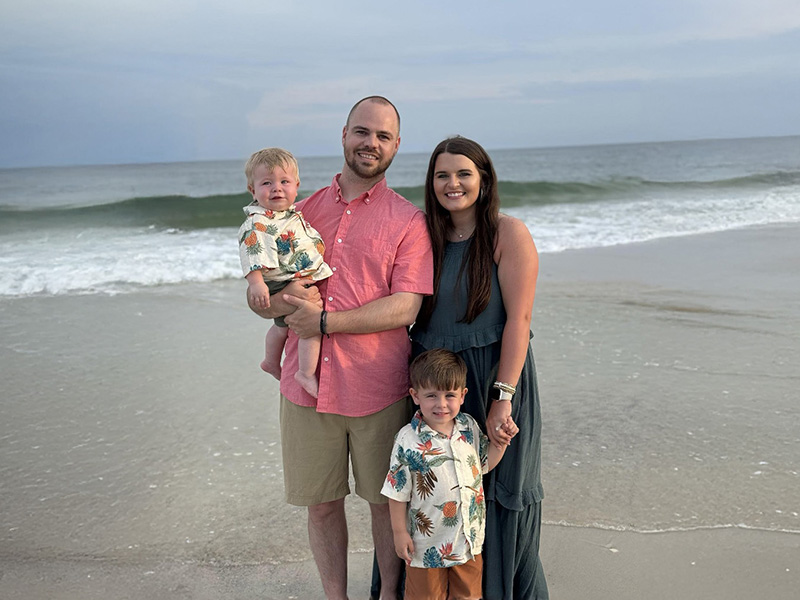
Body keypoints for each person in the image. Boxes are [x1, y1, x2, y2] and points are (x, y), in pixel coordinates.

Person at [247, 96, 433, 600]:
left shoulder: (408, 220)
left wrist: (326, 321)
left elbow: (406, 307)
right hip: (305, 389)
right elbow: (266, 300)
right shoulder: (297, 212)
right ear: (344, 134)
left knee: (383, 502)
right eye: (362, 132)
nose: (371, 143)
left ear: (395, 146)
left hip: (378, 386)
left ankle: (388, 594)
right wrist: (270, 299)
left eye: (383, 136)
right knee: (321, 504)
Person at [410, 136, 549, 599]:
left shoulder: (508, 233)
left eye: (464, 173)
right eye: (442, 174)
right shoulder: (422, 235)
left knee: (499, 495)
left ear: (484, 179)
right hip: (435, 387)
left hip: (494, 378)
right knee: (434, 495)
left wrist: (501, 399)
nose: (453, 183)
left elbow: (519, 321)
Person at [381, 348, 518, 600]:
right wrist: (399, 533)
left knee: (467, 596)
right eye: (431, 395)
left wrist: (502, 441)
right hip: (425, 546)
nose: (441, 404)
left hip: (467, 542)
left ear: (463, 395)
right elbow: (396, 492)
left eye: (450, 395)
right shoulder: (407, 440)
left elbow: (484, 465)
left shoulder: (469, 427)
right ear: (415, 395)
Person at [238, 147, 333, 398]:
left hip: (291, 279)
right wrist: (256, 284)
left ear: (296, 185)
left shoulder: (286, 214)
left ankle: (270, 361)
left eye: (284, 182)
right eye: (267, 183)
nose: (276, 188)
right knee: (311, 326)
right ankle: (305, 372)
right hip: (280, 283)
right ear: (253, 190)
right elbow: (252, 253)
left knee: (281, 328)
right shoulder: (258, 222)